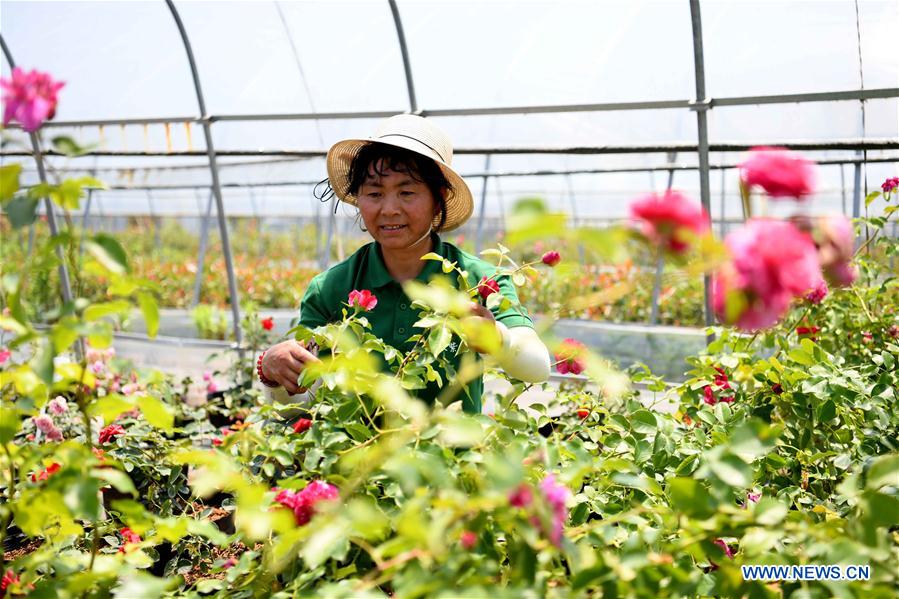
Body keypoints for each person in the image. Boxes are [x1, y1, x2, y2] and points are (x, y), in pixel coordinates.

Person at [258, 115, 550, 414]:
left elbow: (538, 367)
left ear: (439, 199)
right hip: (353, 455)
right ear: (358, 199)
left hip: (452, 457)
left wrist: (498, 338)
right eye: (374, 193)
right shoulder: (332, 289)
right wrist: (274, 375)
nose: (389, 209)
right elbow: (298, 407)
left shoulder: (478, 281)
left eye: (407, 192)